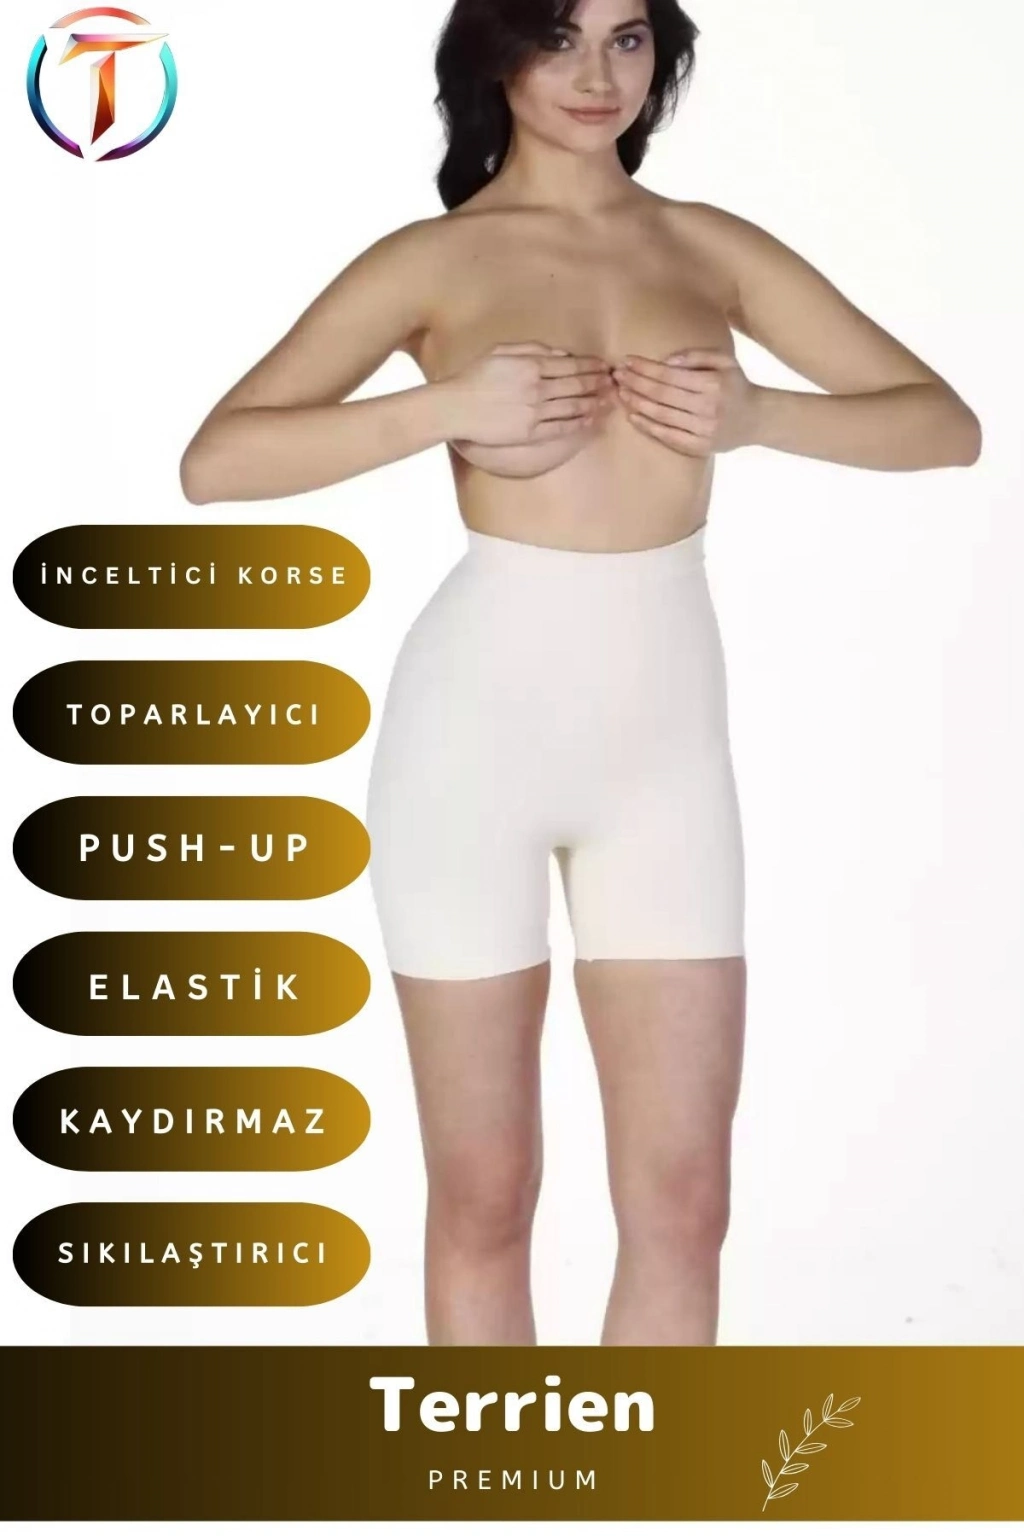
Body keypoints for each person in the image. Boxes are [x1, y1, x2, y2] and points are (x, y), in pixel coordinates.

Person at [179, 0, 981, 1346]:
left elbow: (944, 426)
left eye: (626, 37)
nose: (597, 72)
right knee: (486, 1197)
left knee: (684, 1202)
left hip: (665, 760)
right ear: (495, 55)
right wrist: (443, 409)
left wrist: (761, 415)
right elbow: (217, 463)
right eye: (558, 37)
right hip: (470, 749)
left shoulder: (709, 248)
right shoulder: (432, 261)